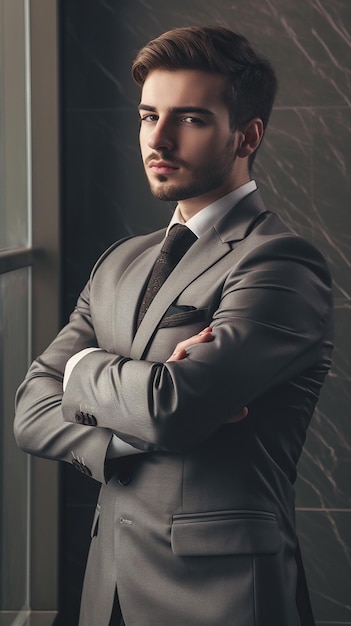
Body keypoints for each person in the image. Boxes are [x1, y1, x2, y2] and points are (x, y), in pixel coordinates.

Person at [14, 26, 333, 626]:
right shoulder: (119, 262)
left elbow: (173, 408)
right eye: (147, 116)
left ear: (247, 136)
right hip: (104, 584)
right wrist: (131, 425)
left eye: (188, 119)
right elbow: (30, 411)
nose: (156, 140)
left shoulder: (280, 262)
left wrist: (83, 373)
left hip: (221, 594)